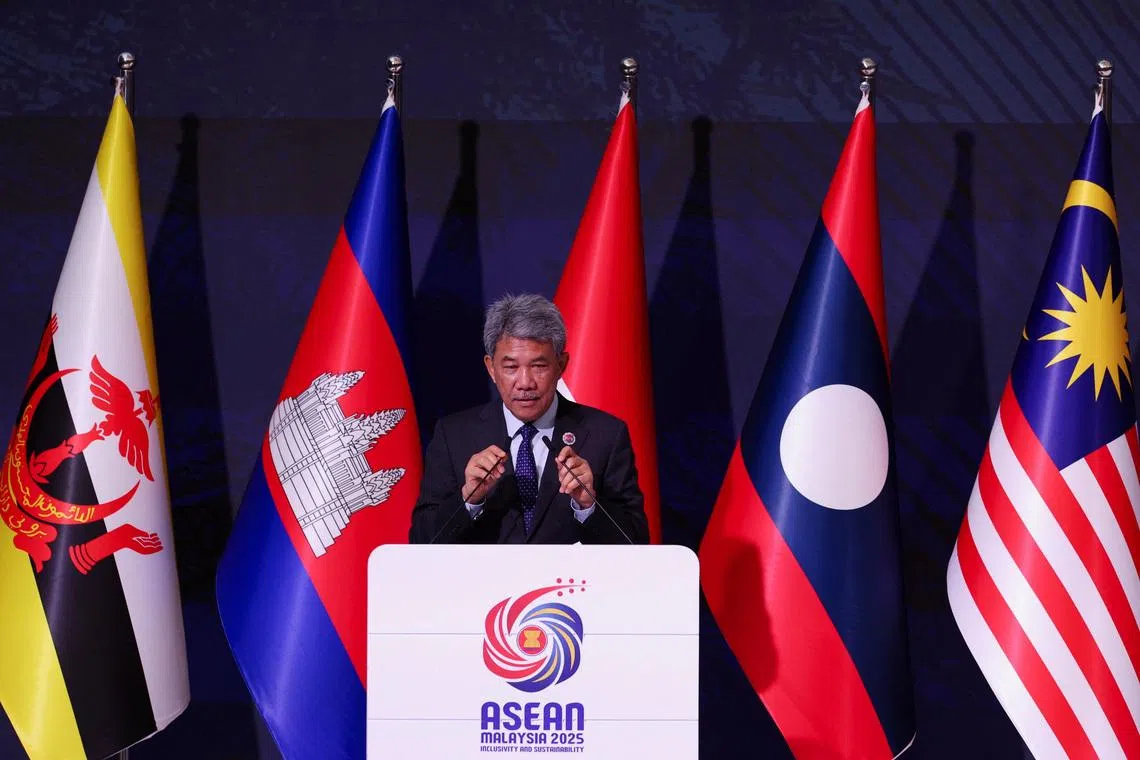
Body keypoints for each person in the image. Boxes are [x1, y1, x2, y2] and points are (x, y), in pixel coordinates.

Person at [409, 294, 649, 544]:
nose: (525, 383)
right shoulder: (454, 435)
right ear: (491, 368)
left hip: (568, 583)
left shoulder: (605, 435)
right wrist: (469, 499)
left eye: (538, 366)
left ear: (561, 365)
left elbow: (637, 543)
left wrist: (588, 505)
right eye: (511, 368)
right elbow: (421, 542)